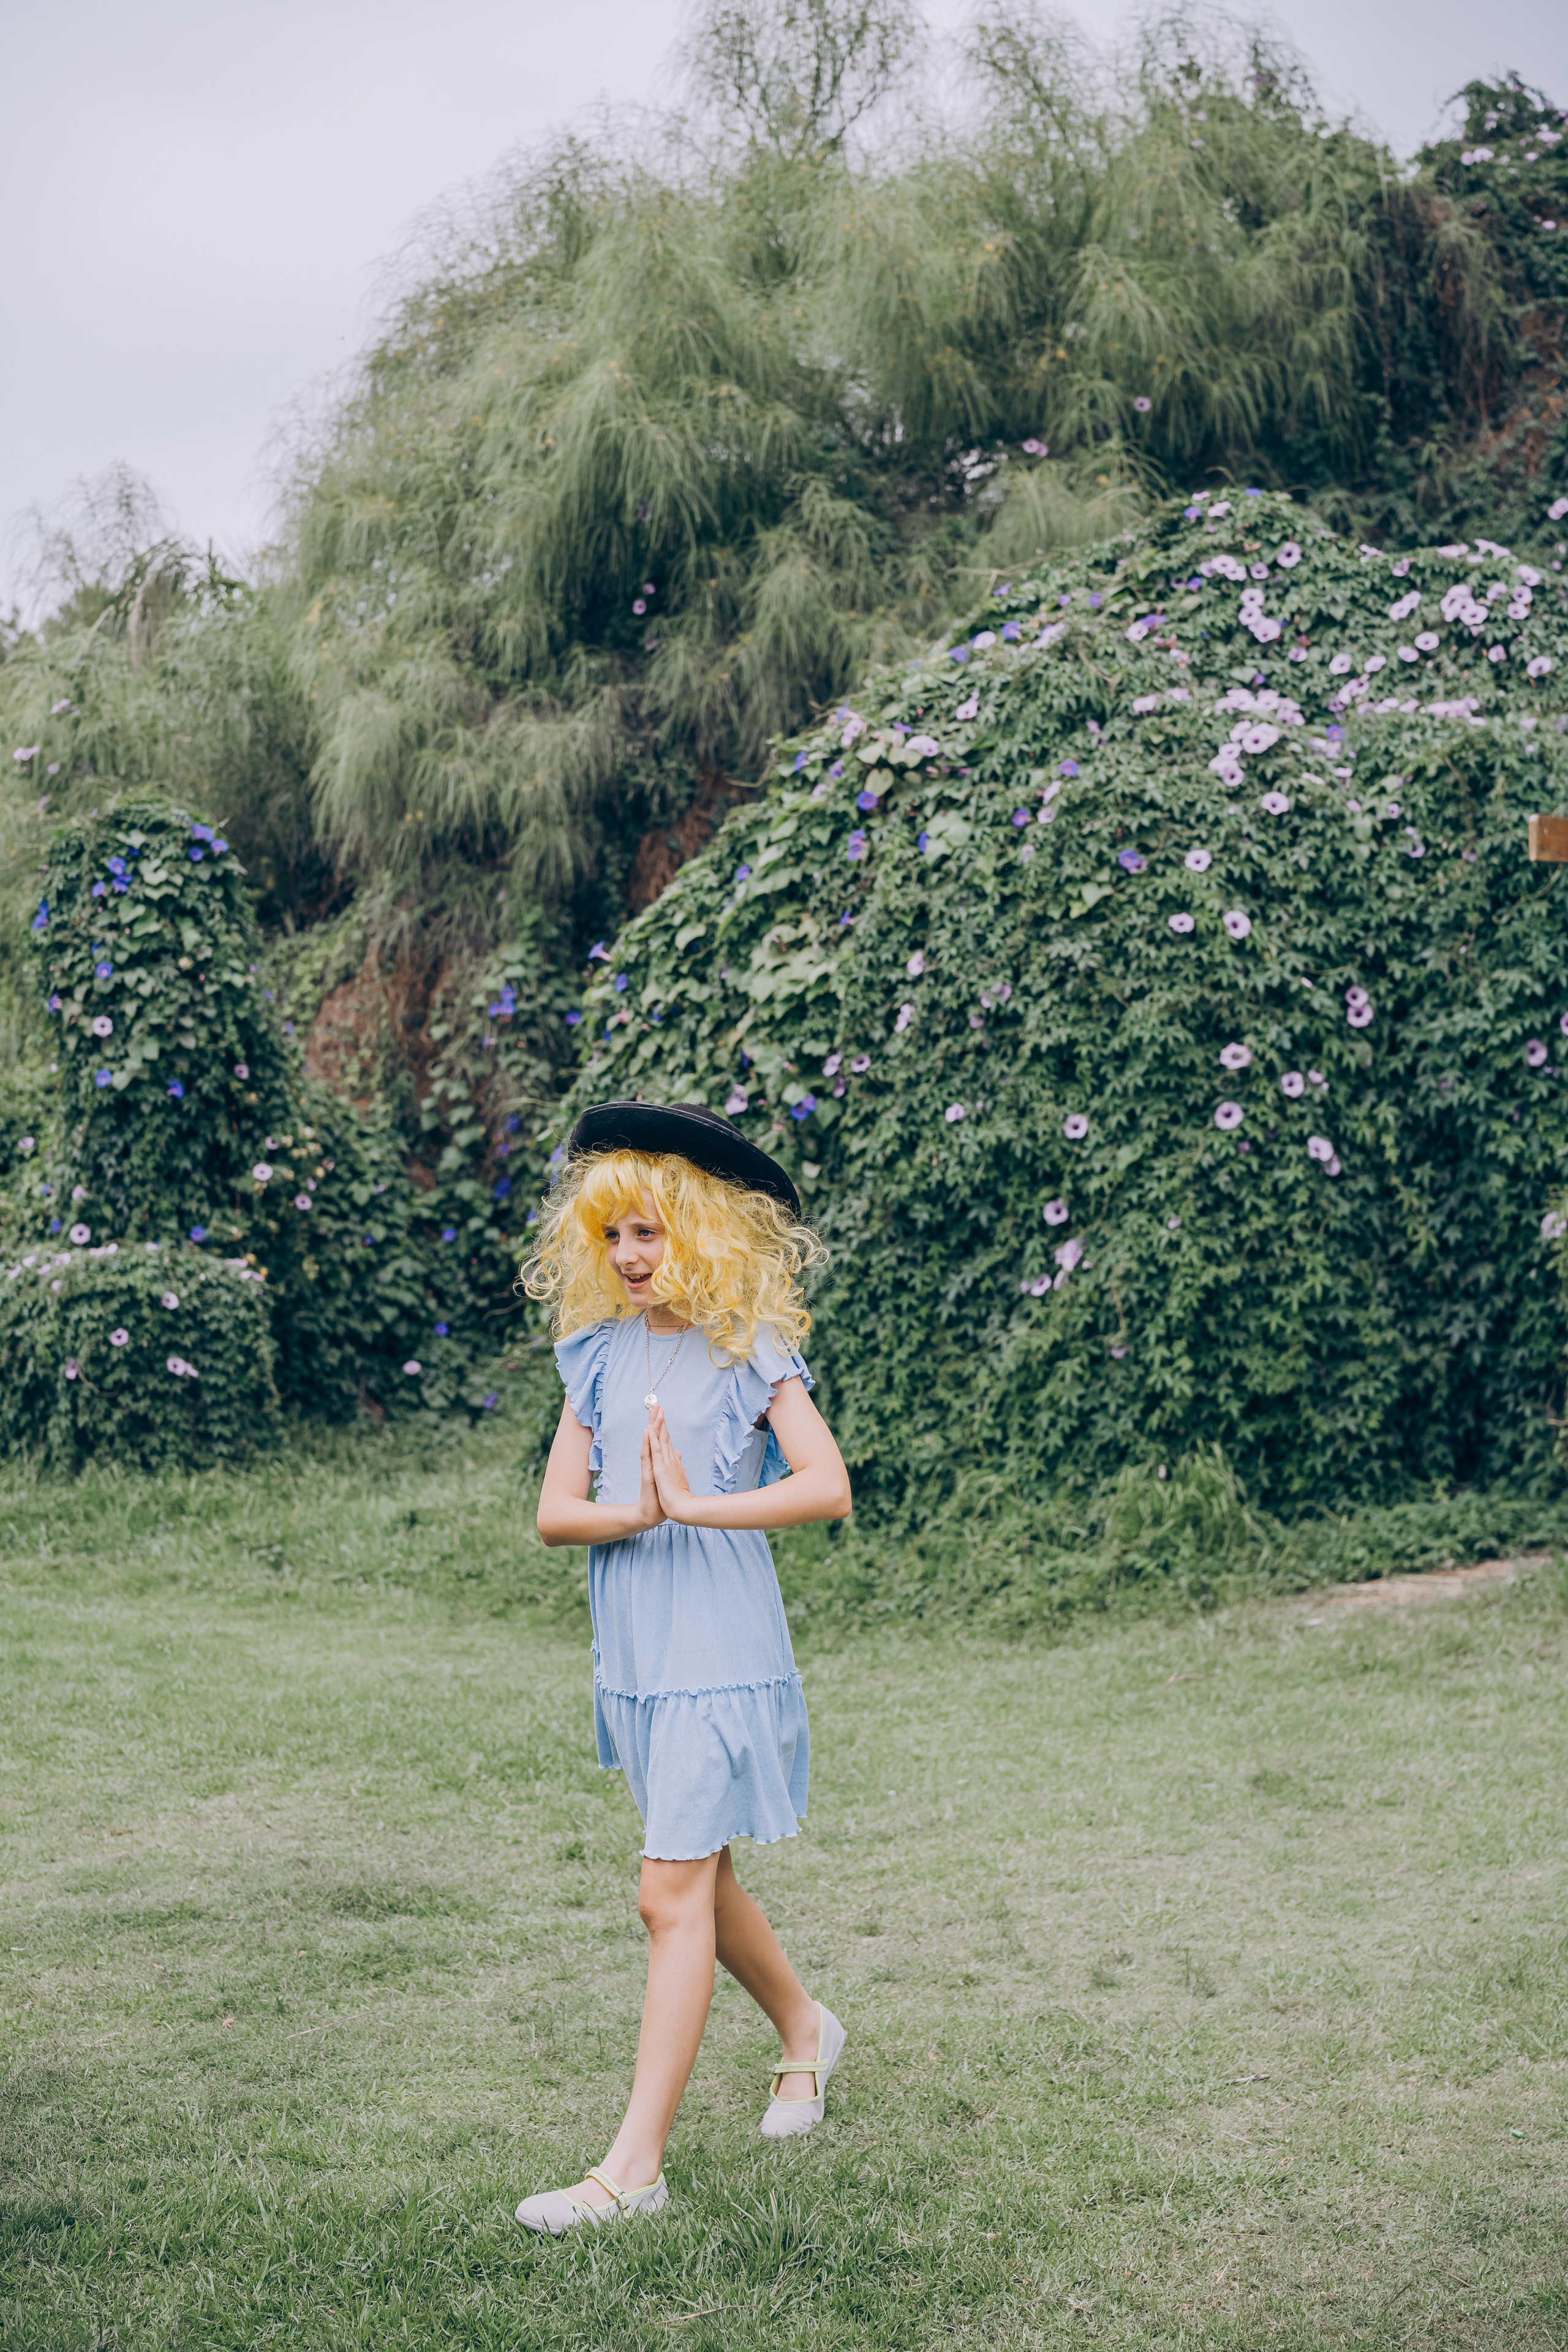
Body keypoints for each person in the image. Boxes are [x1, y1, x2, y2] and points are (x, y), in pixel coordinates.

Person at [514, 1099, 853, 2235]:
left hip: (720, 1645)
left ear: (701, 1230)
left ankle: (633, 2172)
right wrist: (633, 1513)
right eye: (612, 1237)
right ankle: (805, 2031)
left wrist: (698, 1506)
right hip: (640, 1651)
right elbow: (558, 1513)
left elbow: (825, 1485)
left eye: (650, 1233)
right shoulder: (598, 1354)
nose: (629, 1257)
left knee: (666, 1894)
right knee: (699, 1881)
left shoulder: (748, 1345)